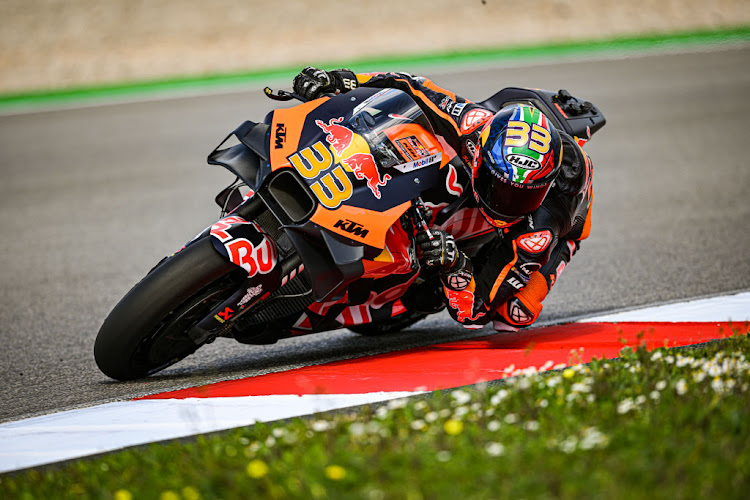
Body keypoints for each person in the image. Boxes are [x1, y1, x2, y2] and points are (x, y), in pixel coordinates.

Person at [292, 67, 594, 332]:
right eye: (500, 188)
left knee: (512, 316)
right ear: (479, 156)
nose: (506, 201)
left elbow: (474, 312)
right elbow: (410, 86)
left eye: (520, 195)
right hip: (506, 132)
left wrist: (456, 266)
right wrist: (339, 80)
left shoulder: (539, 229)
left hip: (564, 226)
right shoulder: (472, 124)